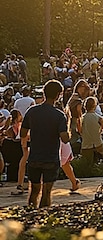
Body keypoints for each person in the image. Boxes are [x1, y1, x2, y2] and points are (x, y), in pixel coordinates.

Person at [19, 79, 70, 208]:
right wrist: (69, 129)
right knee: (46, 192)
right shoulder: (59, 116)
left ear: (44, 93)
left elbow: (23, 133)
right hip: (51, 158)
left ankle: (30, 216)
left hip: (35, 157)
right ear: (58, 95)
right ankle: (43, 218)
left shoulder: (32, 111)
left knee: (34, 190)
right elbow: (65, 138)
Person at [80, 96, 103, 168]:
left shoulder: (82, 118)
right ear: (94, 106)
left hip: (86, 143)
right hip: (98, 142)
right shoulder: (99, 118)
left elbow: (79, 130)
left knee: (87, 165)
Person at [65, 79, 90, 156]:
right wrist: (81, 129)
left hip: (69, 121)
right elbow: (79, 114)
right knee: (75, 142)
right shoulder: (77, 100)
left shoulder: (72, 98)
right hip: (74, 123)